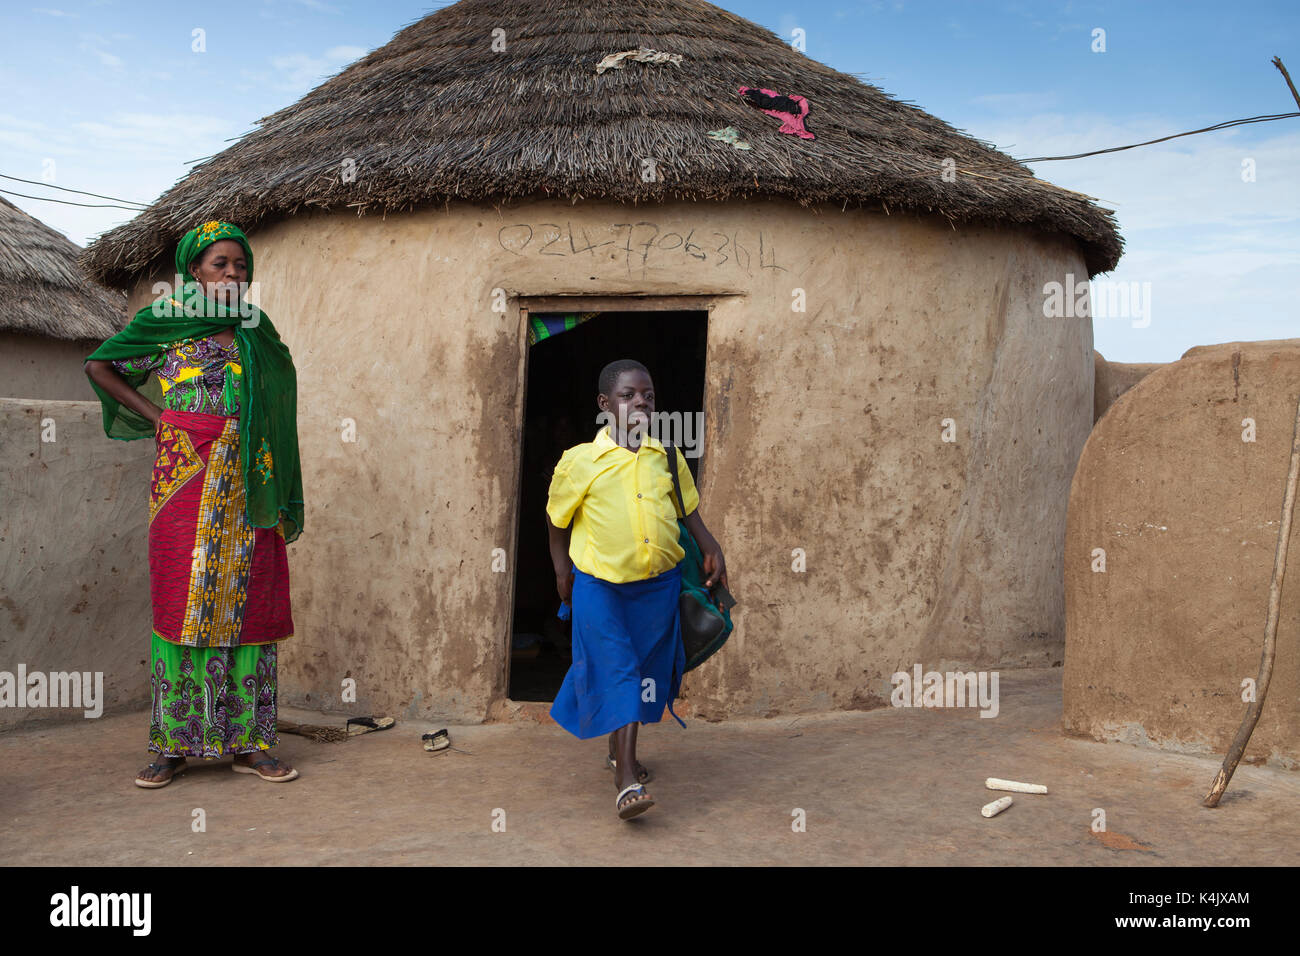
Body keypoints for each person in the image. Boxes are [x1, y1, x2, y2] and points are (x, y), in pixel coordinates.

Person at [83, 220, 304, 788]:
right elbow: (100, 366)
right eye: (219, 264)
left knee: (248, 601)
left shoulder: (257, 331)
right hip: (184, 481)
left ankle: (251, 744)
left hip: (251, 483)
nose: (233, 273)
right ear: (194, 271)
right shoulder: (165, 324)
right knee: (183, 598)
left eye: (240, 264)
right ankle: (173, 745)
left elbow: (278, 403)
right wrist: (161, 420)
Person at [545, 359, 727, 819]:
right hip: (600, 587)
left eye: (647, 395)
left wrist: (711, 547)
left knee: (645, 673)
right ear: (605, 405)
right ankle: (625, 779)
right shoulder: (580, 461)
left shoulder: (665, 455)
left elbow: (688, 512)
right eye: (628, 395)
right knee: (620, 669)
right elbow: (556, 521)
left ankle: (616, 751)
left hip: (658, 589)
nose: (640, 402)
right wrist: (561, 571)